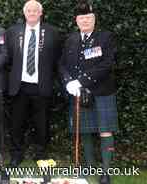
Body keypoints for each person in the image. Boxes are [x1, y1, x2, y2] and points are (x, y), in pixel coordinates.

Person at [59, 1, 118, 183]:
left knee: (105, 131)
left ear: (94, 19)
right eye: (81, 18)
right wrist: (69, 81)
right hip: (79, 92)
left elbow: (107, 64)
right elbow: (61, 64)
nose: (84, 21)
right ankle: (90, 166)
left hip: (101, 92)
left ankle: (106, 172)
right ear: (76, 20)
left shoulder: (106, 37)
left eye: (88, 17)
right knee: (84, 131)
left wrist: (82, 80)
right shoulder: (71, 39)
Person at [6, 0, 61, 167]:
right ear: (24, 13)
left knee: (42, 123)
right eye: (28, 10)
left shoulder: (52, 32)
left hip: (41, 85)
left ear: (40, 13)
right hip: (19, 85)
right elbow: (8, 58)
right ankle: (16, 155)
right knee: (16, 123)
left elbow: (57, 59)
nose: (31, 13)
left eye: (35, 10)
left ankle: (40, 154)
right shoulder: (13, 31)